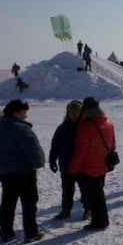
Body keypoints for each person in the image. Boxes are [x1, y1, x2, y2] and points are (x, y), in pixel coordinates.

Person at [0, 100, 45, 243]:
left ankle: (6, 232)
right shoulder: (22, 129)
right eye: (23, 112)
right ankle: (31, 233)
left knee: (8, 202)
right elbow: (34, 150)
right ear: (15, 112)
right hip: (24, 172)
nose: (25, 116)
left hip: (5, 172)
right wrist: (38, 163)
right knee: (29, 203)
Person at [69, 97, 115, 230]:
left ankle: (99, 221)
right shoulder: (108, 122)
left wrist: (74, 167)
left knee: (95, 197)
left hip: (89, 167)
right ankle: (101, 220)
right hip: (102, 165)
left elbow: (81, 150)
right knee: (99, 194)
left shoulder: (85, 125)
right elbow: (112, 145)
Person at [49, 100, 88, 220]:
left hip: (82, 165)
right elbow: (55, 144)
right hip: (66, 164)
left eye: (76, 112)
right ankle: (66, 210)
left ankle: (88, 209)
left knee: (85, 189)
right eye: (71, 112)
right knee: (67, 190)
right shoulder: (62, 128)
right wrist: (52, 159)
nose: (73, 114)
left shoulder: (86, 126)